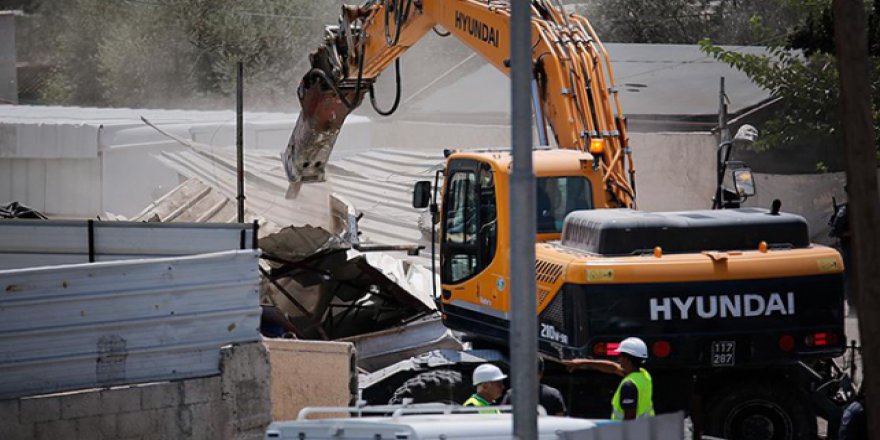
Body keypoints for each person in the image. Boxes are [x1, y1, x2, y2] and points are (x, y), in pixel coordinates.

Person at [563, 337, 654, 420]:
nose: (618, 359)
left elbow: (629, 420)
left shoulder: (629, 385)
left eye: (621, 355)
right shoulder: (644, 375)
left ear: (627, 358)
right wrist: (582, 363)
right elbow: (613, 368)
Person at [502, 357, 567, 416]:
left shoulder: (511, 394)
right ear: (541, 374)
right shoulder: (553, 394)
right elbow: (559, 422)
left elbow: (503, 418)